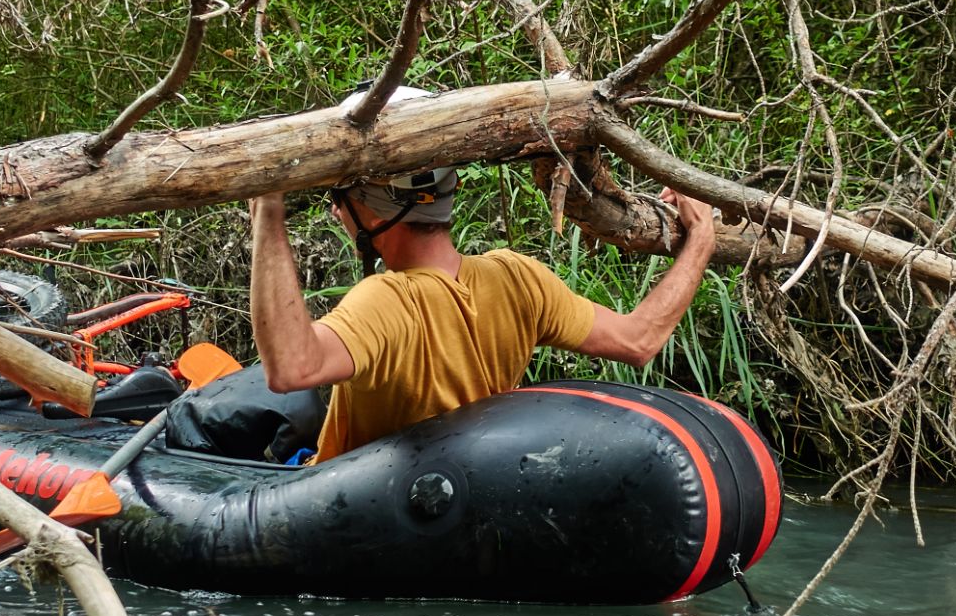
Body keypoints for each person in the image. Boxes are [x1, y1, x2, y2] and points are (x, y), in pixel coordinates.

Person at [247, 93, 718, 463]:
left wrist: (267, 209)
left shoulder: (386, 301)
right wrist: (701, 240)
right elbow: (639, 340)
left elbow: (291, 369)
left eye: (341, 200)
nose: (336, 212)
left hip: (356, 521)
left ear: (373, 210)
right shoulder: (518, 278)